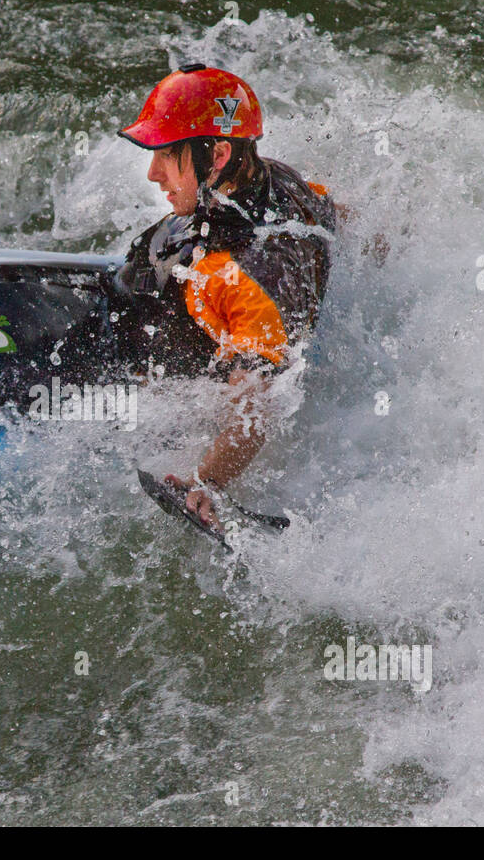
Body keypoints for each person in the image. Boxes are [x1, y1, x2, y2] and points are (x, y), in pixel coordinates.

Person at [112, 63, 340, 530]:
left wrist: (206, 483)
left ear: (215, 156)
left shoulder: (246, 279)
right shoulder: (281, 181)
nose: (153, 173)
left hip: (191, 351)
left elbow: (255, 408)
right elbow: (337, 215)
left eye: (167, 155)